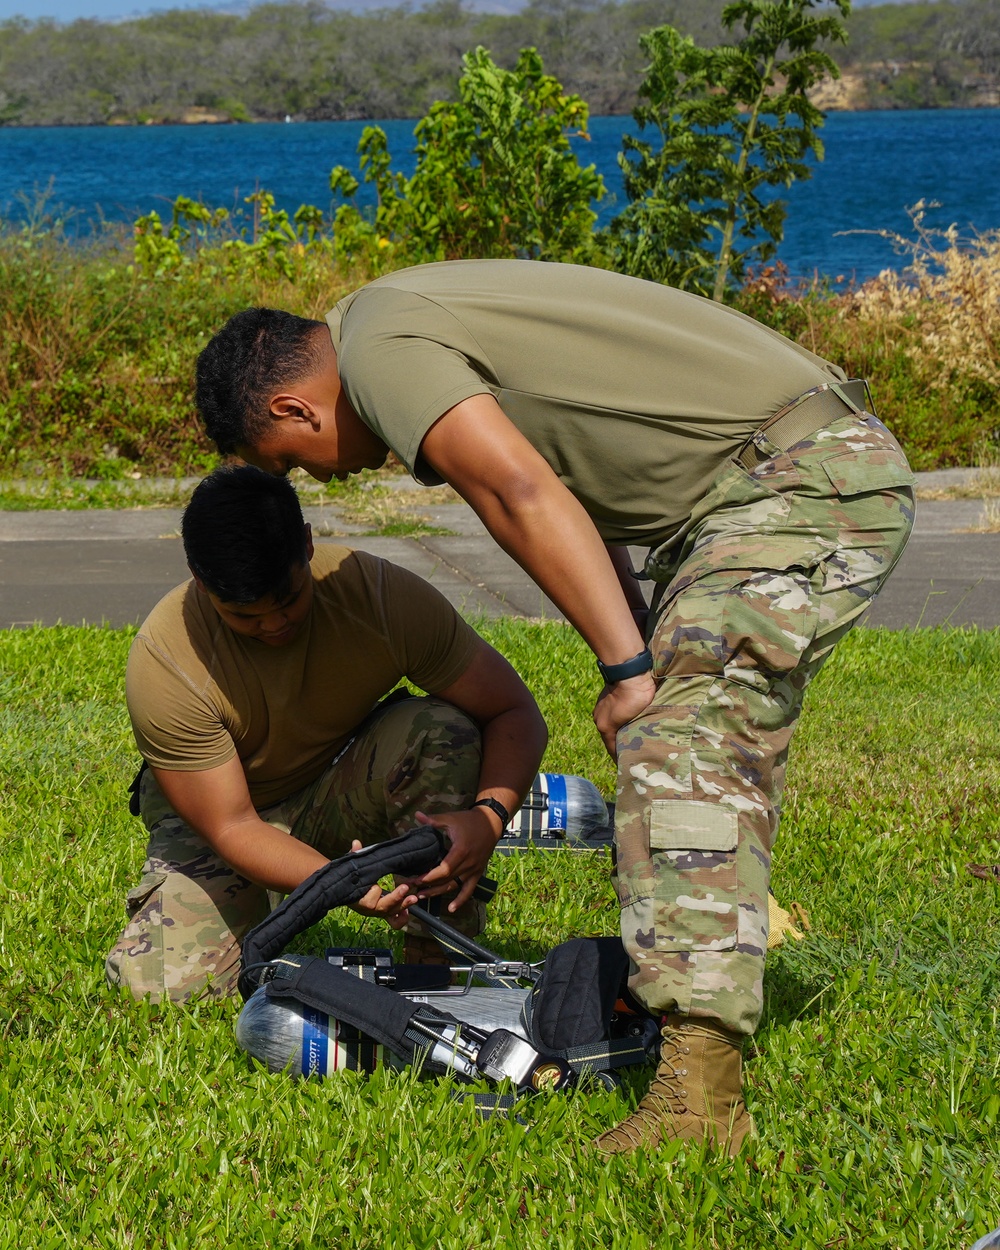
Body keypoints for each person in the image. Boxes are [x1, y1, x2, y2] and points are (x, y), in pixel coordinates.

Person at [194, 260, 915, 1154]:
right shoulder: (385, 318)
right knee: (674, 724)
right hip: (761, 485)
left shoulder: (376, 350)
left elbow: (516, 494)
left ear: (293, 410)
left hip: (798, 481)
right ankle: (720, 941)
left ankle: (699, 1105)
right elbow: (565, 485)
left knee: (683, 736)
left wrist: (631, 671)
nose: (321, 482)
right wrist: (635, 650)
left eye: (292, 464)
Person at [106, 463, 547, 1003]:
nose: (272, 625)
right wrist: (338, 882)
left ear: (308, 546)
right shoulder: (166, 660)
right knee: (160, 988)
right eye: (244, 616)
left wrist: (489, 817)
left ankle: (437, 950)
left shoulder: (379, 597)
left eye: (289, 600)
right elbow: (233, 826)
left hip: (336, 789)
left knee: (442, 729)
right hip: (226, 820)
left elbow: (513, 711)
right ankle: (261, 899)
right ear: (202, 583)